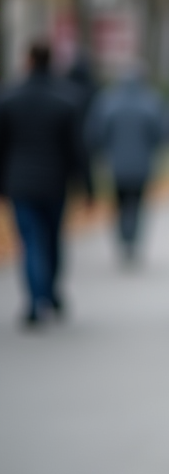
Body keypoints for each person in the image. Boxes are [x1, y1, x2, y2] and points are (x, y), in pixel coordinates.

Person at [0, 40, 93, 326]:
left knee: (29, 241)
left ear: (28, 60)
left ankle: (34, 301)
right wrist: (87, 185)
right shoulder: (66, 99)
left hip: (20, 182)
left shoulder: (9, 98)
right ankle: (49, 293)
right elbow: (77, 148)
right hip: (55, 182)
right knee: (52, 239)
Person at [86, 63, 166, 264]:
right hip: (142, 163)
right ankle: (132, 239)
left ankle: (123, 237)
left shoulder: (108, 101)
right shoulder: (151, 101)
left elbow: (98, 131)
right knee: (137, 202)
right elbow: (160, 132)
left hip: (116, 163)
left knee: (120, 201)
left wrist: (104, 151)